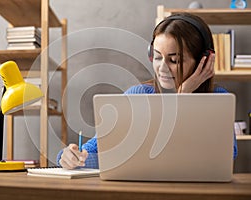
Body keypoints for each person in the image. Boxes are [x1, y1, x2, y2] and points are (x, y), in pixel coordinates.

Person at [57, 13, 238, 169]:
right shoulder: (137, 95)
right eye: (157, 57)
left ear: (203, 61)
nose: (162, 69)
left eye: (174, 61)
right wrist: (68, 157)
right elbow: (92, 151)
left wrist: (183, 99)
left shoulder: (219, 100)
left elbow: (223, 157)